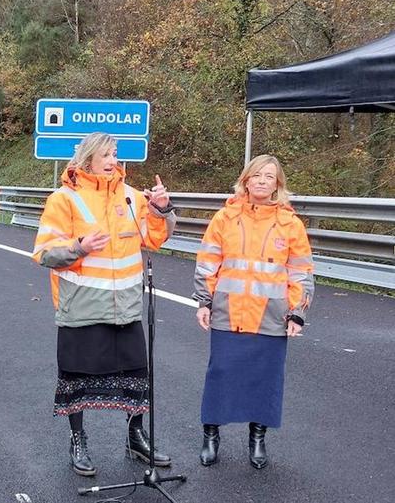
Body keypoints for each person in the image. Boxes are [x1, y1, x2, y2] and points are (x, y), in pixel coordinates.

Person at [32, 132, 177, 476]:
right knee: (76, 375)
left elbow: (156, 238)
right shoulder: (64, 199)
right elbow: (44, 254)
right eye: (106, 155)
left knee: (136, 374)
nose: (113, 160)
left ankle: (135, 436)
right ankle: (77, 439)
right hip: (81, 308)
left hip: (125, 307)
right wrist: (80, 247)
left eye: (115, 154)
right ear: (87, 159)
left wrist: (162, 210)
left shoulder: (131, 197)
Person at [192, 154, 314, 469]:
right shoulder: (224, 218)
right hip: (228, 315)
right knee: (220, 375)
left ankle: (257, 438)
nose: (261, 181)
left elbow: (300, 273)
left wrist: (297, 312)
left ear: (278, 184)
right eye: (256, 175)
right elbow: (208, 263)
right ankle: (211, 435)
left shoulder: (290, 224)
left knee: (266, 379)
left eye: (269, 176)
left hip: (271, 318)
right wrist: (204, 301)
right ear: (246, 179)